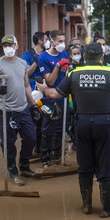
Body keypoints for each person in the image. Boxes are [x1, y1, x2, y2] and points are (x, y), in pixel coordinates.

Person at [36, 43, 110, 218]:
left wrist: (43, 89)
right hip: (105, 124)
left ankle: (86, 206)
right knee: (105, 164)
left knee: (85, 165)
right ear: (102, 57)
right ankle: (107, 208)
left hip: (82, 123)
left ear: (84, 56)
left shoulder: (74, 73)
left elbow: (55, 94)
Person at [0, 34, 41, 186]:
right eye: (5, 45)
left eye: (11, 45)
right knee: (9, 142)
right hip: (6, 110)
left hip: (23, 108)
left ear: (17, 46)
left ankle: (24, 165)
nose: (8, 48)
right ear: (2, 47)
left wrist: (34, 105)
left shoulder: (22, 63)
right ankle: (12, 169)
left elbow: (26, 86)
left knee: (31, 138)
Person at [38, 30, 70, 166]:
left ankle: (57, 156)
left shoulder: (64, 53)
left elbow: (67, 74)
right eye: (60, 41)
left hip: (64, 98)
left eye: (64, 41)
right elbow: (50, 81)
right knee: (48, 129)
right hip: (50, 100)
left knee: (61, 128)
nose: (62, 44)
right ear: (52, 42)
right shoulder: (43, 58)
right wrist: (57, 66)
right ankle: (45, 158)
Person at [21, 32, 48, 154]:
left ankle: (41, 147)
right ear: (39, 41)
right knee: (32, 118)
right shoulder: (26, 56)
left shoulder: (47, 54)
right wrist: (36, 61)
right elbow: (26, 74)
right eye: (46, 39)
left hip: (45, 89)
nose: (47, 42)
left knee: (43, 117)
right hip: (31, 91)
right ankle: (30, 149)